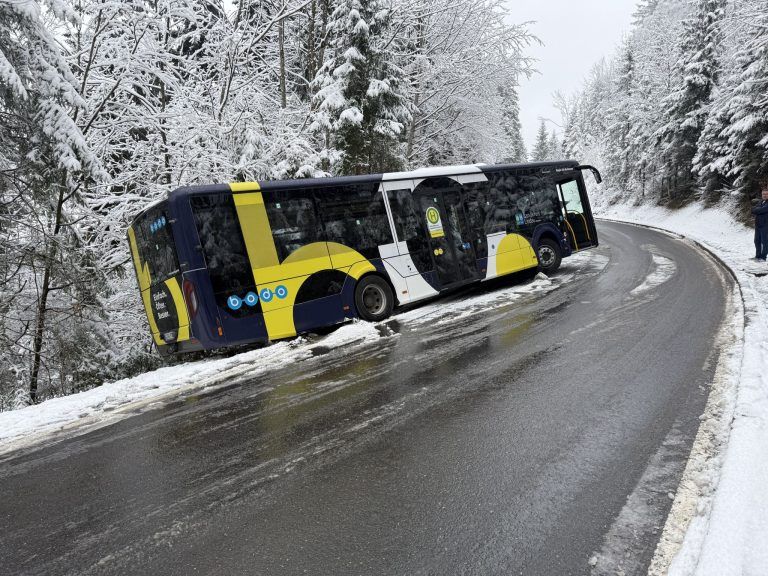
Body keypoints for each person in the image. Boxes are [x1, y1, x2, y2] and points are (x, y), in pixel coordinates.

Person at [752, 181, 768, 261]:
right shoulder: (761, 202)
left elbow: (760, 210)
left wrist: (758, 210)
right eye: (763, 194)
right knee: (756, 241)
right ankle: (757, 256)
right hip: (758, 225)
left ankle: (763, 257)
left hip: (765, 226)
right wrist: (758, 210)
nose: (764, 195)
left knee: (764, 242)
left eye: (766, 194)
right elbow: (753, 210)